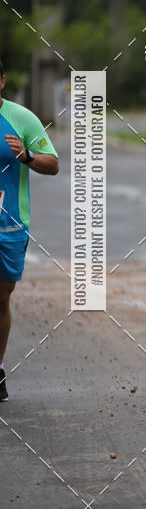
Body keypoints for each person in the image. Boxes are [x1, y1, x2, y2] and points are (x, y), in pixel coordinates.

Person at [0, 59, 59, 401]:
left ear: (2, 81)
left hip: (10, 225)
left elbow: (53, 164)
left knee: (1, 297)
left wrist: (27, 157)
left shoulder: (21, 118)